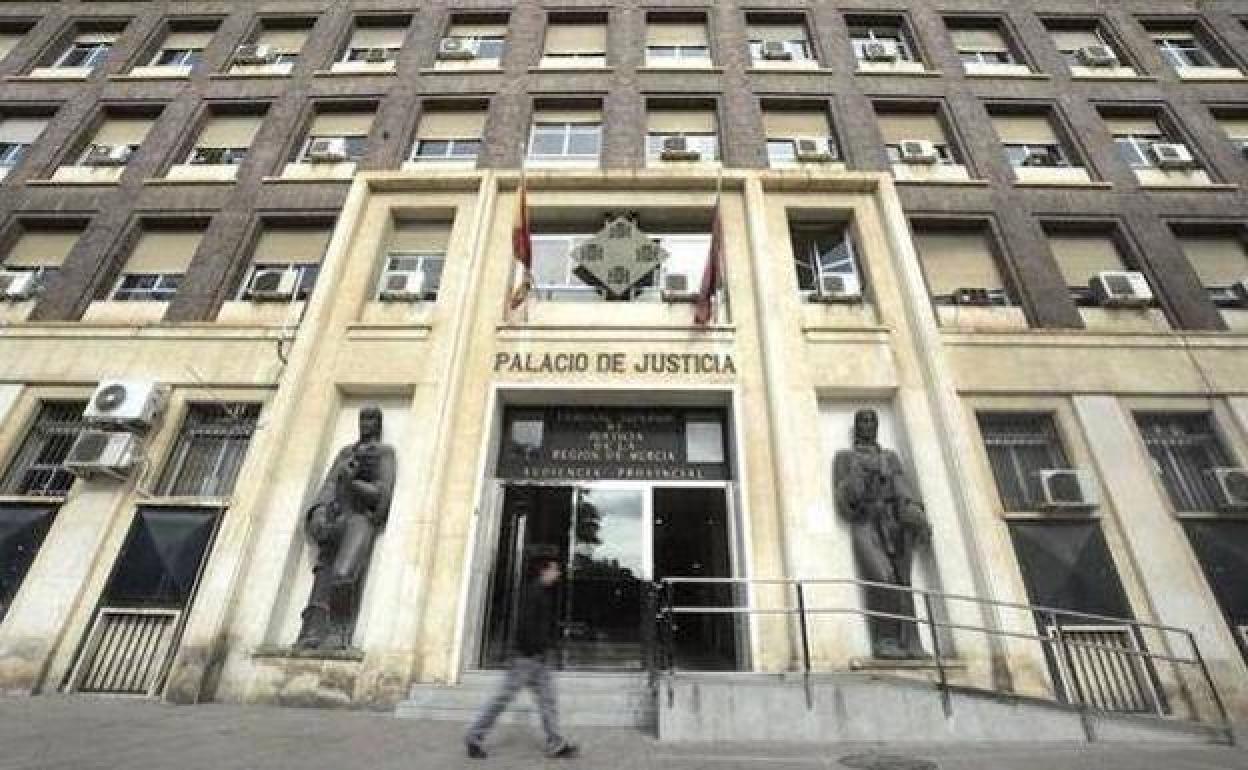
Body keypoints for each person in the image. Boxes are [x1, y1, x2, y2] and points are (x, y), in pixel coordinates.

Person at [833, 408, 932, 659]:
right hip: (865, 521)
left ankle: (911, 642)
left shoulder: (890, 457)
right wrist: (857, 480)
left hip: (893, 522)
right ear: (856, 426)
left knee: (903, 582)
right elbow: (843, 496)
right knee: (882, 577)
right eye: (862, 421)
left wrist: (916, 515)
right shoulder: (845, 457)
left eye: (871, 420)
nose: (867, 425)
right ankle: (885, 640)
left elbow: (903, 489)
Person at [295, 406, 396, 651]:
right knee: (323, 574)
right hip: (337, 513)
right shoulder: (345, 452)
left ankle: (338, 631)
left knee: (343, 574)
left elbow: (382, 494)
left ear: (378, 424)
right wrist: (319, 512)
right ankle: (312, 631)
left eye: (371, 419)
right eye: (362, 418)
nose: (365, 423)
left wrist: (354, 483)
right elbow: (329, 485)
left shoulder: (384, 453)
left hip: (361, 518)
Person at [465, 557, 578, 760]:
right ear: (544, 571)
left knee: (548, 700)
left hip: (538, 658)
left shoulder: (542, 593)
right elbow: (525, 626)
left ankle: (556, 743)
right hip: (525, 658)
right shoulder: (532, 593)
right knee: (502, 699)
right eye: (554, 570)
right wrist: (534, 648)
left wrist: (544, 648)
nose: (558, 573)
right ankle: (474, 737)